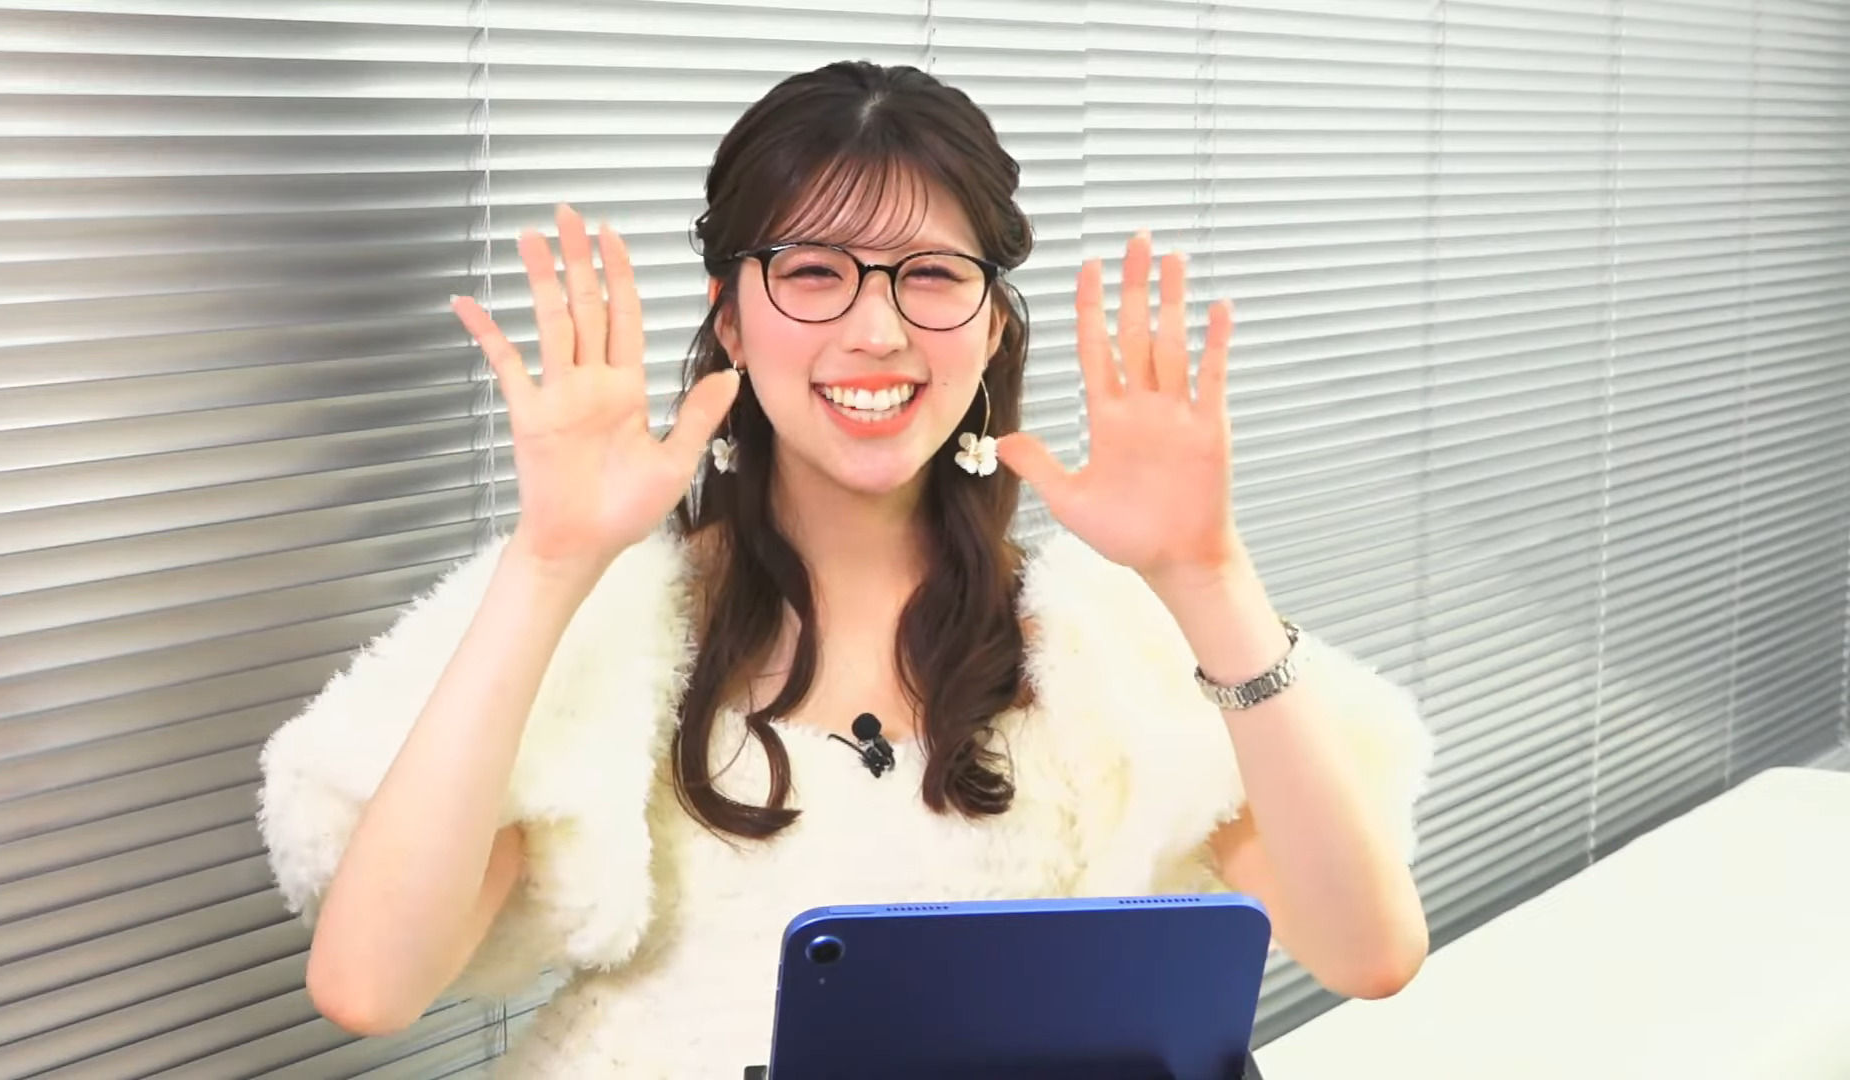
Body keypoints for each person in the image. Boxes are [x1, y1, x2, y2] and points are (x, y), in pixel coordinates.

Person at [256, 60, 1434, 1078]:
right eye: (814, 272)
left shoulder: (1090, 641)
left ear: (991, 326)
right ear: (730, 317)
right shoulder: (616, 627)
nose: (876, 331)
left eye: (931, 274)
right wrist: (551, 563)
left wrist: (1208, 576)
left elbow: (1369, 952)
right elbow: (372, 985)